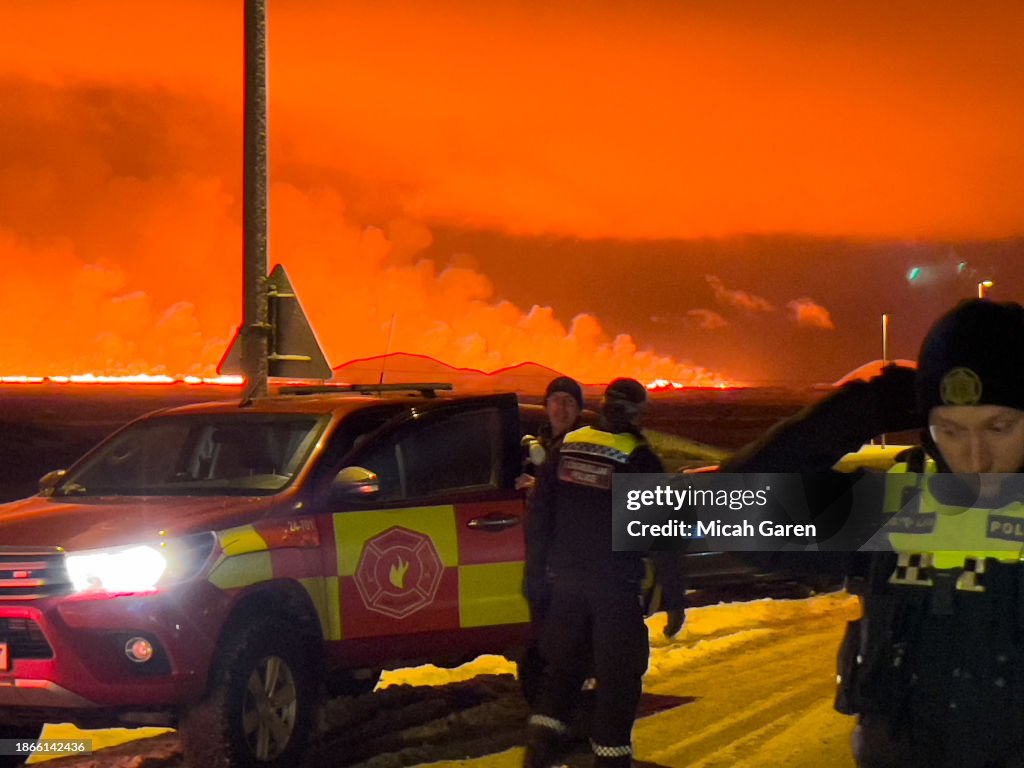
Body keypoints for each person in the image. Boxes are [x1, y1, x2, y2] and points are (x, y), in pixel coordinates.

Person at [722, 299, 1024, 768]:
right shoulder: (895, 507)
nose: (975, 457)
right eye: (950, 430)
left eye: (998, 428)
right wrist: (861, 409)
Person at [524, 378, 686, 768]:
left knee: (563, 671)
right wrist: (674, 598)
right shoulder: (639, 458)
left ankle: (540, 753)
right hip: (614, 588)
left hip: (566, 586)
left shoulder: (567, 446)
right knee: (619, 678)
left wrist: (535, 577)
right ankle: (611, 760)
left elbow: (540, 516)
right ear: (638, 414)